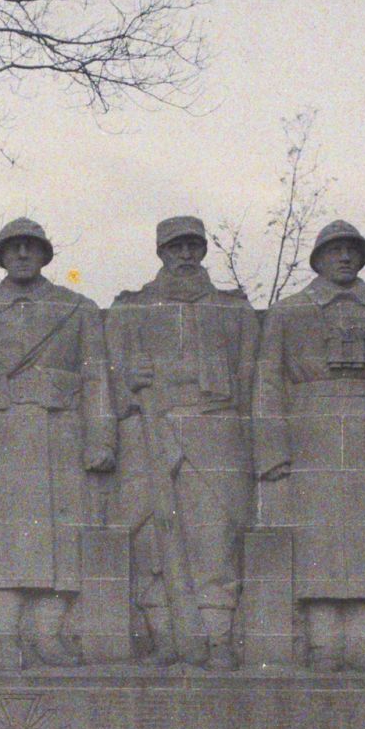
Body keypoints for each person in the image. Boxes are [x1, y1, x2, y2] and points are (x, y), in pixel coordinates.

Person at [0, 218, 116, 668]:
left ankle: (48, 634)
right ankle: (3, 636)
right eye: (13, 247)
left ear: (44, 255)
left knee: (60, 541)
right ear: (0, 256)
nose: (22, 255)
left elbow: (96, 376)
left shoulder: (76, 309)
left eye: (30, 247)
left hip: (58, 435)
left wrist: (101, 439)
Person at [252, 220, 365, 671]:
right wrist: (272, 449)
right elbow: (268, 382)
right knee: (318, 539)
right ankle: (323, 643)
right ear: (318, 259)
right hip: (310, 432)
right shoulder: (288, 313)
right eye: (335, 250)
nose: (345, 258)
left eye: (352, 250)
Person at [106, 215, 257, 669]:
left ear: (204, 250)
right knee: (152, 540)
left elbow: (249, 378)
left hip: (215, 427)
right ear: (161, 252)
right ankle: (165, 636)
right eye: (176, 247)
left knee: (215, 538)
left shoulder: (234, 309)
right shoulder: (130, 308)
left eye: (193, 246)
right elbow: (113, 379)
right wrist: (130, 381)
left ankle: (217, 636)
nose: (186, 255)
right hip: (152, 427)